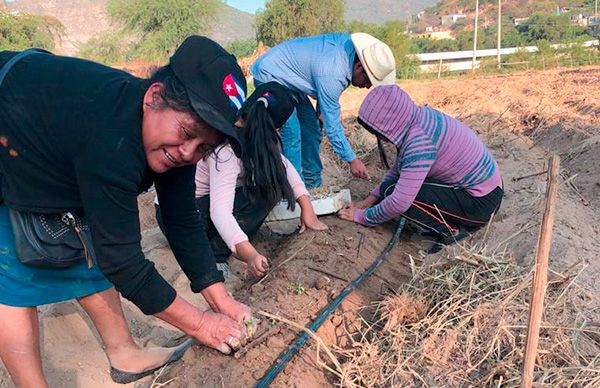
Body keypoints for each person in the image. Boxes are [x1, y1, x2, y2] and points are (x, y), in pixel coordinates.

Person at [0, 36, 253, 386]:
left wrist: (221, 300)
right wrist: (200, 323)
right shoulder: (111, 139)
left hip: (51, 137)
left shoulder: (173, 141)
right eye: (186, 133)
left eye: (203, 148)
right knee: (12, 278)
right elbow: (125, 264)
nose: (187, 152)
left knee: (93, 240)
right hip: (9, 128)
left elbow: (181, 221)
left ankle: (124, 352)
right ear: (153, 97)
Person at [157, 82, 328, 278]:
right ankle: (215, 256)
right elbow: (220, 212)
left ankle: (230, 242)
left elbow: (282, 165)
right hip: (178, 218)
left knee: (270, 178)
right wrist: (250, 255)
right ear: (275, 129)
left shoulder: (245, 133)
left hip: (182, 209)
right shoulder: (227, 150)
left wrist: (307, 207)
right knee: (263, 192)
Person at [338, 85, 503, 253]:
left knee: (394, 194)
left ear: (388, 125)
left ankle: (449, 231)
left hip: (481, 201)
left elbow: (399, 203)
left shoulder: (420, 143)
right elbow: (398, 170)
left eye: (378, 133)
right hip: (488, 185)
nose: (381, 138)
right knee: (390, 189)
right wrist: (366, 203)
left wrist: (362, 217)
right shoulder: (419, 119)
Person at [250, 32, 396, 189]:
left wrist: (321, 109)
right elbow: (332, 126)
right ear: (359, 67)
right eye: (368, 81)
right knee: (292, 132)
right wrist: (352, 159)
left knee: (311, 129)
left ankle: (314, 187)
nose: (367, 87)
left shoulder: (349, 52)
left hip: (291, 78)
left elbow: (319, 72)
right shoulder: (334, 74)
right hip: (271, 73)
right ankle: (294, 191)